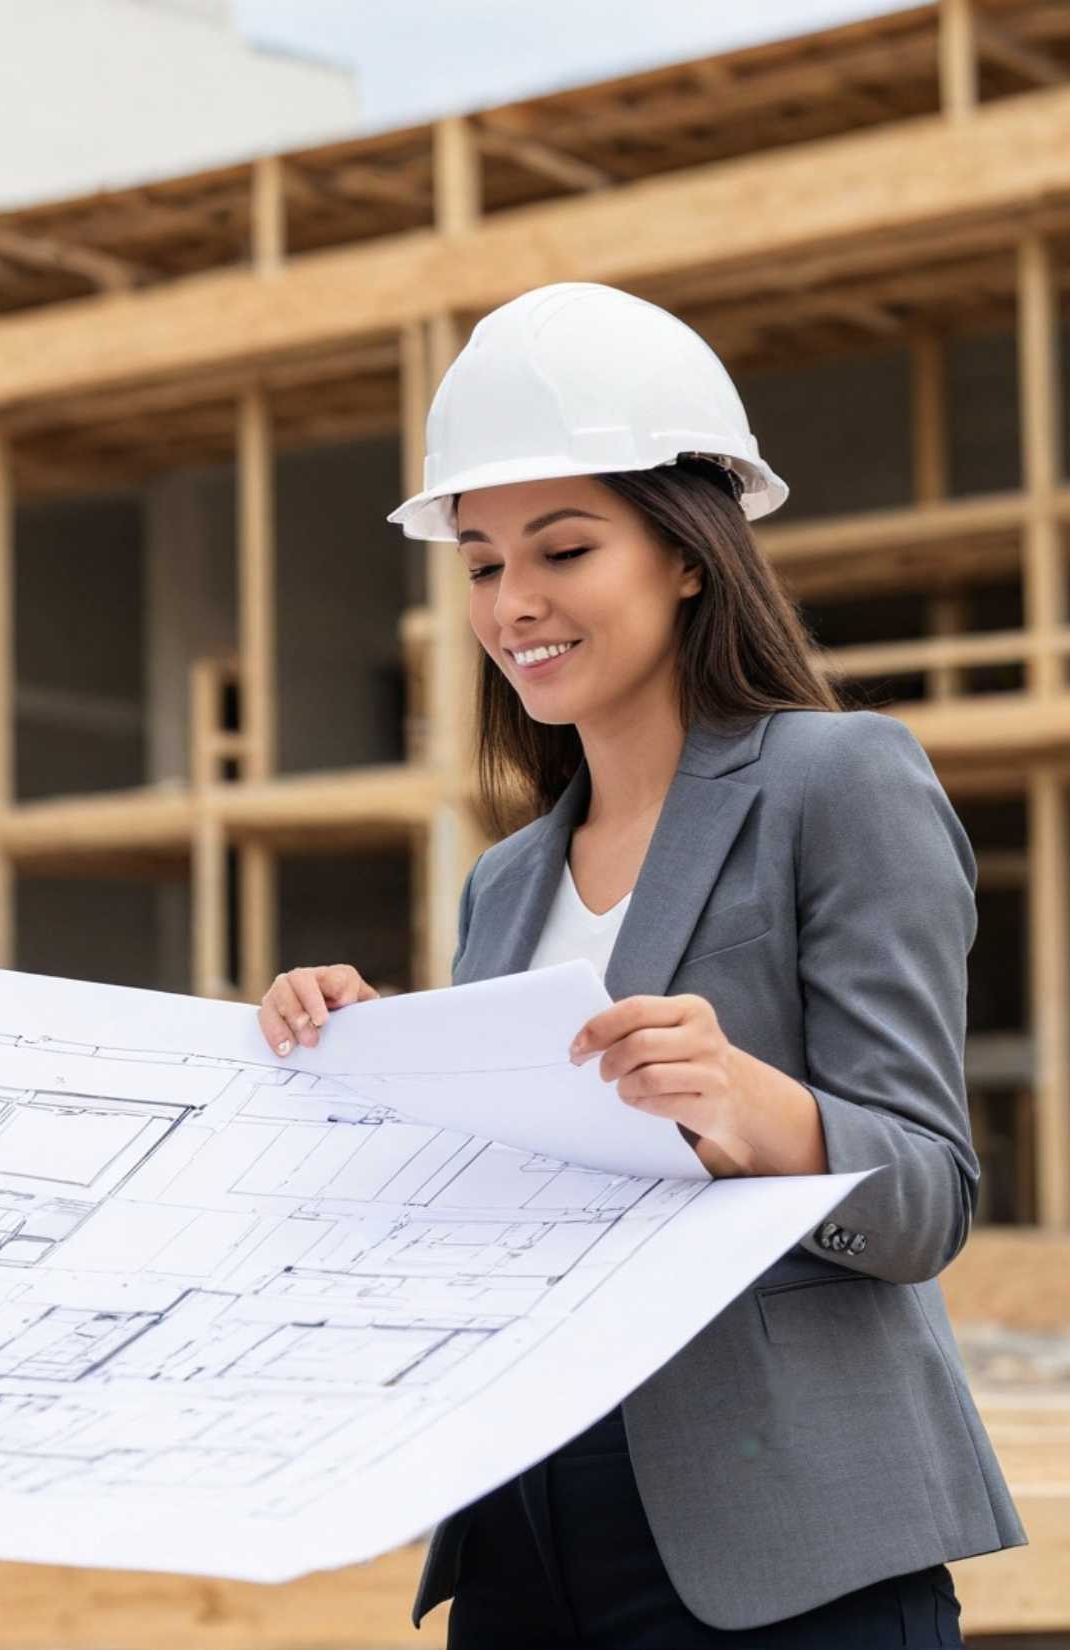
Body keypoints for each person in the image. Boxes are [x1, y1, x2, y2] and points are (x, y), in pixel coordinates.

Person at [261, 283, 1024, 1647]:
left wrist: (750, 1109)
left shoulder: (836, 782)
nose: (517, 601)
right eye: (485, 562)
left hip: (786, 1545)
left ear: (685, 551)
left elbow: (927, 1199)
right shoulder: (505, 882)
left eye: (564, 547)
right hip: (523, 1532)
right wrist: (364, 1064)